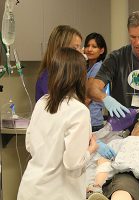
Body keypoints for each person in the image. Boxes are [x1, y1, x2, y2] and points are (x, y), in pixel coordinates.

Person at [17, 47, 98, 200]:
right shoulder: (79, 111)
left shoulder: (43, 102)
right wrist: (91, 150)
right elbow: (73, 162)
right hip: (57, 193)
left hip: (30, 189)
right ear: (81, 76)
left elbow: (29, 144)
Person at [35, 25, 83, 102]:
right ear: (60, 49)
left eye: (79, 47)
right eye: (75, 48)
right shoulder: (48, 78)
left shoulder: (66, 77)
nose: (80, 52)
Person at [84, 32, 108, 132]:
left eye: (94, 46)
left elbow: (87, 97)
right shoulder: (87, 67)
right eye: (87, 46)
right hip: (89, 120)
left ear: (101, 50)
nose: (89, 49)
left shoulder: (98, 67)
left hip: (92, 121)